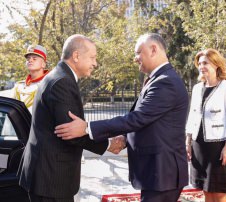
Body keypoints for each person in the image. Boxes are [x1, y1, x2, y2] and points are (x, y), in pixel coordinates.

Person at [55, 33, 189, 202]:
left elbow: (138, 118)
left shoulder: (165, 82)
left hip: (163, 172)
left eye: (138, 52)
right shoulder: (157, 79)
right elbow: (146, 117)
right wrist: (124, 137)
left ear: (153, 49)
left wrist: (87, 127)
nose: (135, 58)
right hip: (156, 172)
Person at [19, 34, 123, 202]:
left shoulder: (58, 76)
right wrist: (110, 144)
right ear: (76, 56)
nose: (95, 63)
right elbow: (71, 133)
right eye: (92, 57)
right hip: (51, 180)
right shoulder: (62, 82)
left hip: (46, 176)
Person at [185, 48, 226, 202]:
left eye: (206, 63)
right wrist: (188, 141)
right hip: (198, 145)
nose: (202, 66)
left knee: (220, 192)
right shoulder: (196, 88)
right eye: (200, 63)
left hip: (218, 147)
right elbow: (192, 116)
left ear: (216, 65)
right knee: (206, 191)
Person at [0, 45, 49, 136]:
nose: (30, 60)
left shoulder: (49, 85)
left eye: (34, 58)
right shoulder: (19, 86)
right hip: (14, 137)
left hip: (37, 137)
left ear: (43, 64)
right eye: (28, 58)